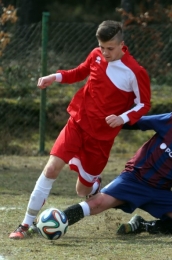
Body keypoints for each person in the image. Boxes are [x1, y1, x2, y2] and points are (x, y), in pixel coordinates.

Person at [9, 20, 151, 239]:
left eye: (110, 48)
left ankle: (94, 185)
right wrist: (53, 77)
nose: (104, 53)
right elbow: (78, 72)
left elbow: (144, 104)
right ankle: (25, 225)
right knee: (51, 169)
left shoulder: (135, 71)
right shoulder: (95, 54)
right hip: (77, 122)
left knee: (82, 191)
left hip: (101, 139)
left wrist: (122, 117)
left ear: (122, 44)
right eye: (102, 47)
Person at [60, 101, 172, 236]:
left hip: (160, 193)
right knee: (96, 204)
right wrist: (114, 121)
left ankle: (144, 226)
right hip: (134, 179)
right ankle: (59, 219)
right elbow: (137, 122)